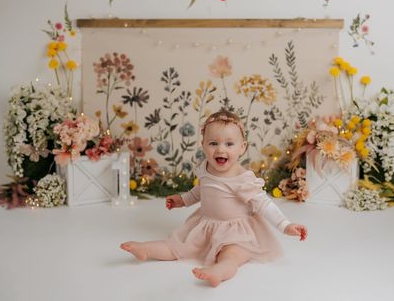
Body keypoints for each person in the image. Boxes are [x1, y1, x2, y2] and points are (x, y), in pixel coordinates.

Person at [120, 109, 308, 287]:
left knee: (231, 254)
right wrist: (183, 200)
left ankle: (219, 270)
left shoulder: (242, 179)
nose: (220, 150)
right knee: (178, 245)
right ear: (203, 145)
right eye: (213, 143)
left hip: (237, 232)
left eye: (229, 144)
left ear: (242, 147)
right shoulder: (205, 169)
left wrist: (285, 225)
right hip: (206, 226)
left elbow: (264, 205)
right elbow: (200, 191)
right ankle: (146, 249)